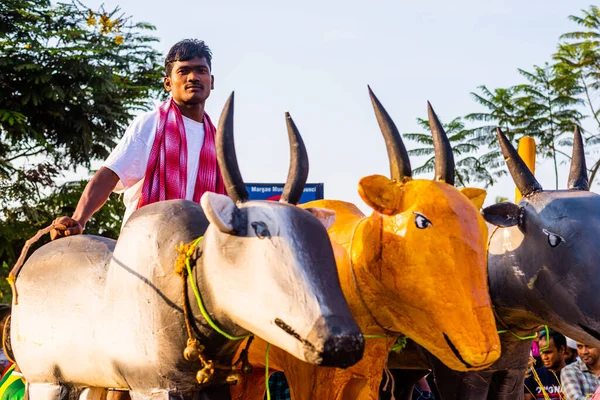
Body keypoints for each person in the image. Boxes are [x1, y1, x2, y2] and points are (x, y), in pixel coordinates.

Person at [51, 39, 225, 239]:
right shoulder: (151, 125)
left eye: (201, 71)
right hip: (147, 245)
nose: (193, 77)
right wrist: (79, 220)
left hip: (198, 249)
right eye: (183, 71)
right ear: (167, 83)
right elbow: (109, 174)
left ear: (211, 81)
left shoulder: (218, 140)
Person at [524, 329, 567, 399]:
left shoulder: (574, 374)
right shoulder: (533, 376)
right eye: (541, 352)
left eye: (548, 352)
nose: (544, 357)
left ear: (561, 350)